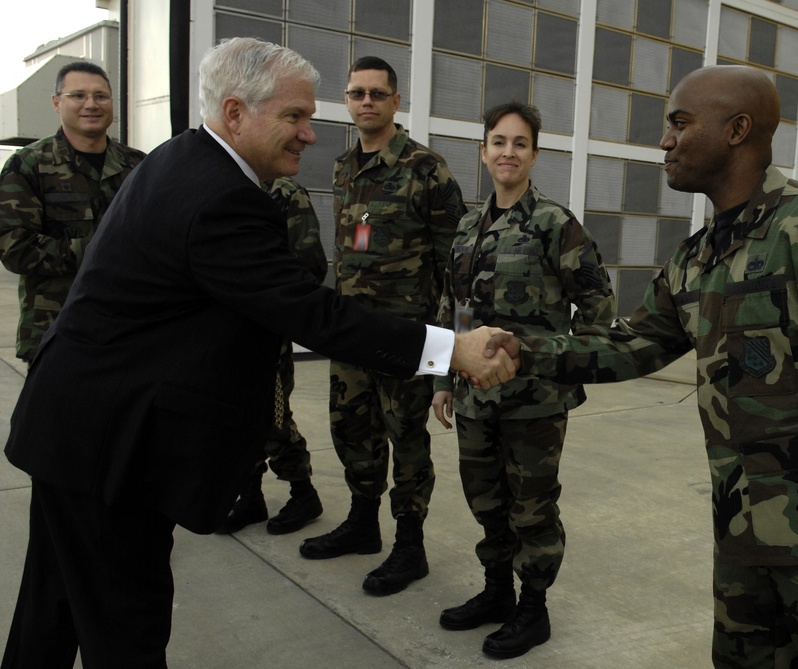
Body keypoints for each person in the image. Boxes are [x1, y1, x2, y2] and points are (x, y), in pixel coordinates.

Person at [1, 37, 516, 669]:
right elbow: (309, 310)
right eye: (294, 117)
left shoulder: (179, 160)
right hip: (110, 445)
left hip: (78, 427)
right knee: (124, 627)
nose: (309, 134)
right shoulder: (221, 197)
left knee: (50, 610)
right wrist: (451, 350)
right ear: (237, 113)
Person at [487, 65, 798, 667]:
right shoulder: (698, 255)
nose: (665, 141)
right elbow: (634, 344)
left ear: (737, 129)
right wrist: (526, 350)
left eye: (679, 123)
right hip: (741, 536)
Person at [431, 101, 615, 659]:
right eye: (498, 142)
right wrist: (442, 377)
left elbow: (599, 307)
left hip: (533, 402)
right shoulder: (467, 225)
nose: (507, 152)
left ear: (534, 154)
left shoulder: (556, 224)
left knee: (531, 506)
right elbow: (455, 307)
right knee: (485, 500)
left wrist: (561, 370)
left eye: (519, 143)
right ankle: (496, 593)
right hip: (473, 397)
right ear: (483, 151)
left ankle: (533, 610)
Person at [298, 56, 467, 598]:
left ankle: (410, 545)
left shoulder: (427, 169)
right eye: (356, 93)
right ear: (347, 103)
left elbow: (454, 266)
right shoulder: (344, 167)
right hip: (352, 333)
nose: (366, 101)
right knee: (352, 428)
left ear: (396, 101)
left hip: (408, 339)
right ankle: (363, 523)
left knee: (407, 440)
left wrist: (444, 348)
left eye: (376, 93)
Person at [0, 61, 145, 365]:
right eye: (78, 95)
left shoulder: (140, 166)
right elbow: (13, 245)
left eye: (101, 96)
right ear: (57, 102)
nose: (91, 104)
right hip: (56, 330)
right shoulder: (28, 165)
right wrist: (97, 251)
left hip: (127, 329)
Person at [217, 177, 327, 535]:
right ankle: (249, 495)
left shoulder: (284, 193)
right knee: (233, 416)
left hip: (264, 329)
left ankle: (303, 493)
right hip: (224, 328)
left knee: (273, 415)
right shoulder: (219, 185)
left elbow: (309, 267)